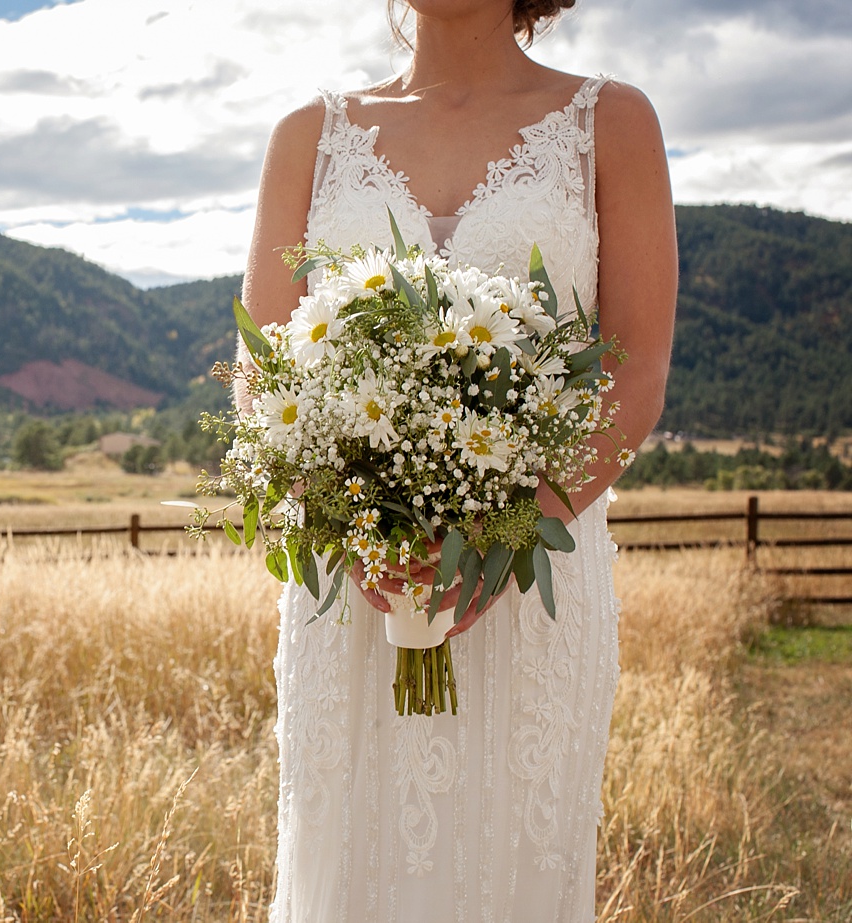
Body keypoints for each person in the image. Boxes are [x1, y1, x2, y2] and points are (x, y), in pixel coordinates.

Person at [241, 0, 676, 918]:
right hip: (351, 584)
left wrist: (504, 536)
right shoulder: (306, 137)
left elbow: (633, 375)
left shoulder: (612, 122)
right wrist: (354, 531)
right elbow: (262, 375)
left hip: (528, 584)